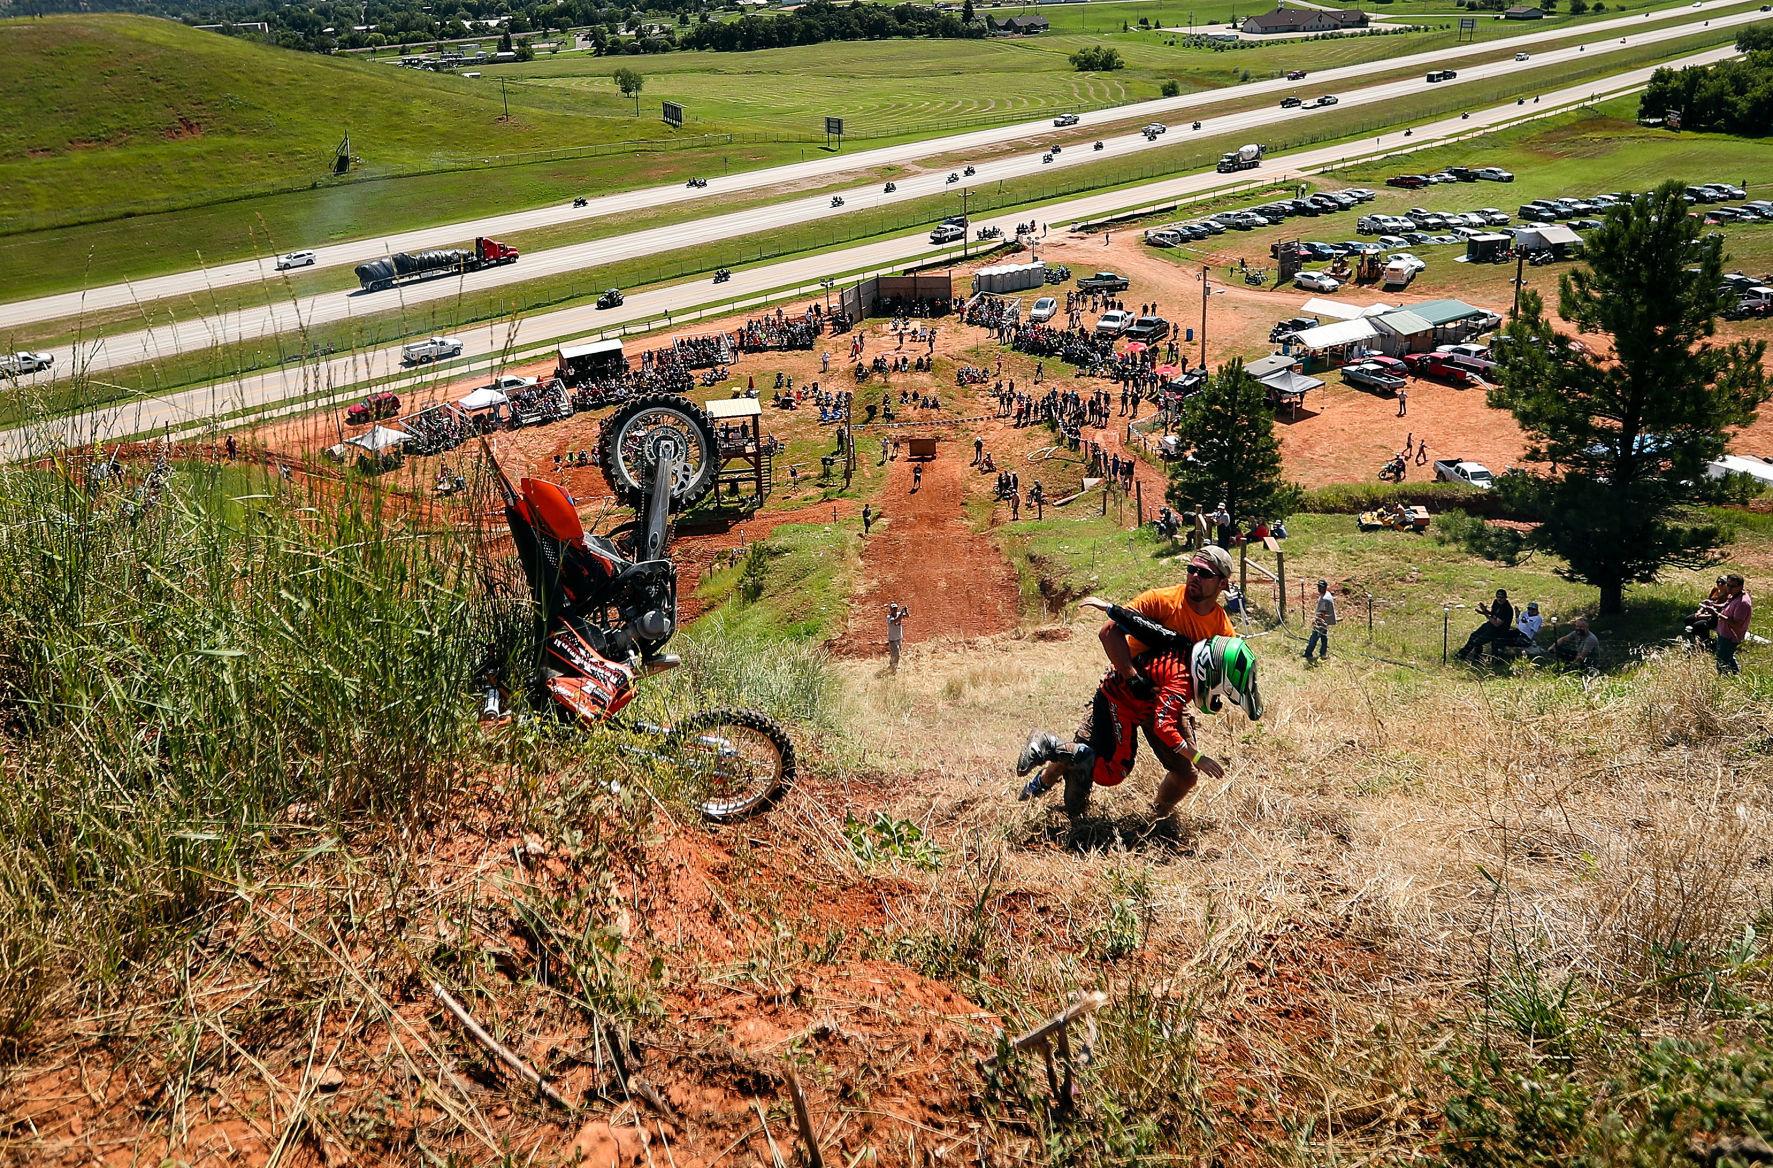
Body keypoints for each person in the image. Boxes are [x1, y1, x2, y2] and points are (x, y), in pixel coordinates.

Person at [1016, 547, 1244, 821]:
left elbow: (1218, 673)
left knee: (1185, 773)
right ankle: (1039, 785)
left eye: (1204, 573)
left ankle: (1155, 817)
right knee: (1083, 751)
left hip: (1166, 702)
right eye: (1191, 569)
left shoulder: (1222, 629)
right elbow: (1109, 631)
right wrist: (1131, 676)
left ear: (1222, 583)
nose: (1194, 576)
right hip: (1123, 691)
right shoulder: (1162, 601)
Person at [1454, 588, 1514, 663]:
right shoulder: (1496, 602)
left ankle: (1475, 656)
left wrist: (1485, 614)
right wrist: (1484, 611)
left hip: (1499, 630)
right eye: (1498, 597)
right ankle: (1463, 654)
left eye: (1501, 597)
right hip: (1491, 625)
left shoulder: (1506, 608)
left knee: (1477, 641)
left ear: (1505, 597)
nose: (1499, 599)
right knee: (1474, 635)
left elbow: (1497, 623)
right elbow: (1493, 615)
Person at [1716, 574, 1752, 675]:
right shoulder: (1734, 595)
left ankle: (1723, 678)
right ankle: (1737, 675)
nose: (1729, 588)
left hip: (1731, 636)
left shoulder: (1743, 603)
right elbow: (1725, 605)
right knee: (1728, 656)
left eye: (1732, 586)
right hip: (1723, 632)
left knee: (1721, 660)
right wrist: (1713, 605)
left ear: (1740, 587)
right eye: (1728, 585)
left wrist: (1718, 615)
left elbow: (1737, 624)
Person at [1685, 577, 1729, 645]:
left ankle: (1704, 641)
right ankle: (1692, 638)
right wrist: (1699, 611)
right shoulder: (1715, 590)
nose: (1719, 584)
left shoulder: (1727, 596)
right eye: (1718, 582)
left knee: (1697, 625)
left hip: (1715, 617)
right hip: (1706, 612)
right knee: (1688, 619)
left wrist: (1702, 616)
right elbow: (1707, 602)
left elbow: (1719, 613)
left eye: (1722, 583)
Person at [1304, 579, 1336, 662]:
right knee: (1324, 637)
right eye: (1318, 586)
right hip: (1325, 621)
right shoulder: (1326, 594)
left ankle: (1308, 653)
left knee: (1314, 637)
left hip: (1322, 621)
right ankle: (1323, 653)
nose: (1319, 588)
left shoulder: (1325, 599)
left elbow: (1323, 613)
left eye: (1321, 587)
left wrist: (1317, 621)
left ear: (1325, 587)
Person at [886, 603, 909, 672]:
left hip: (898, 638)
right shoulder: (889, 617)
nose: (895, 610)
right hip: (892, 639)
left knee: (895, 654)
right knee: (897, 654)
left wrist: (906, 611)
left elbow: (907, 616)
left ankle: (891, 665)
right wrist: (901, 613)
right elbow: (895, 621)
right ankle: (894, 668)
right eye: (893, 609)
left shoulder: (899, 614)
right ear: (890, 610)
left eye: (896, 608)